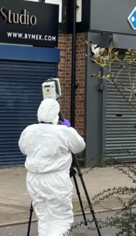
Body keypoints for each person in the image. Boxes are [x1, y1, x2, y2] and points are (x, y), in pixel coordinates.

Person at [19, 98, 86, 236]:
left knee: (44, 218)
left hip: (34, 179)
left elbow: (24, 149)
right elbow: (79, 146)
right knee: (61, 219)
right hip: (56, 180)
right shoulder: (63, 131)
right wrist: (69, 129)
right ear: (56, 114)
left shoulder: (29, 130)